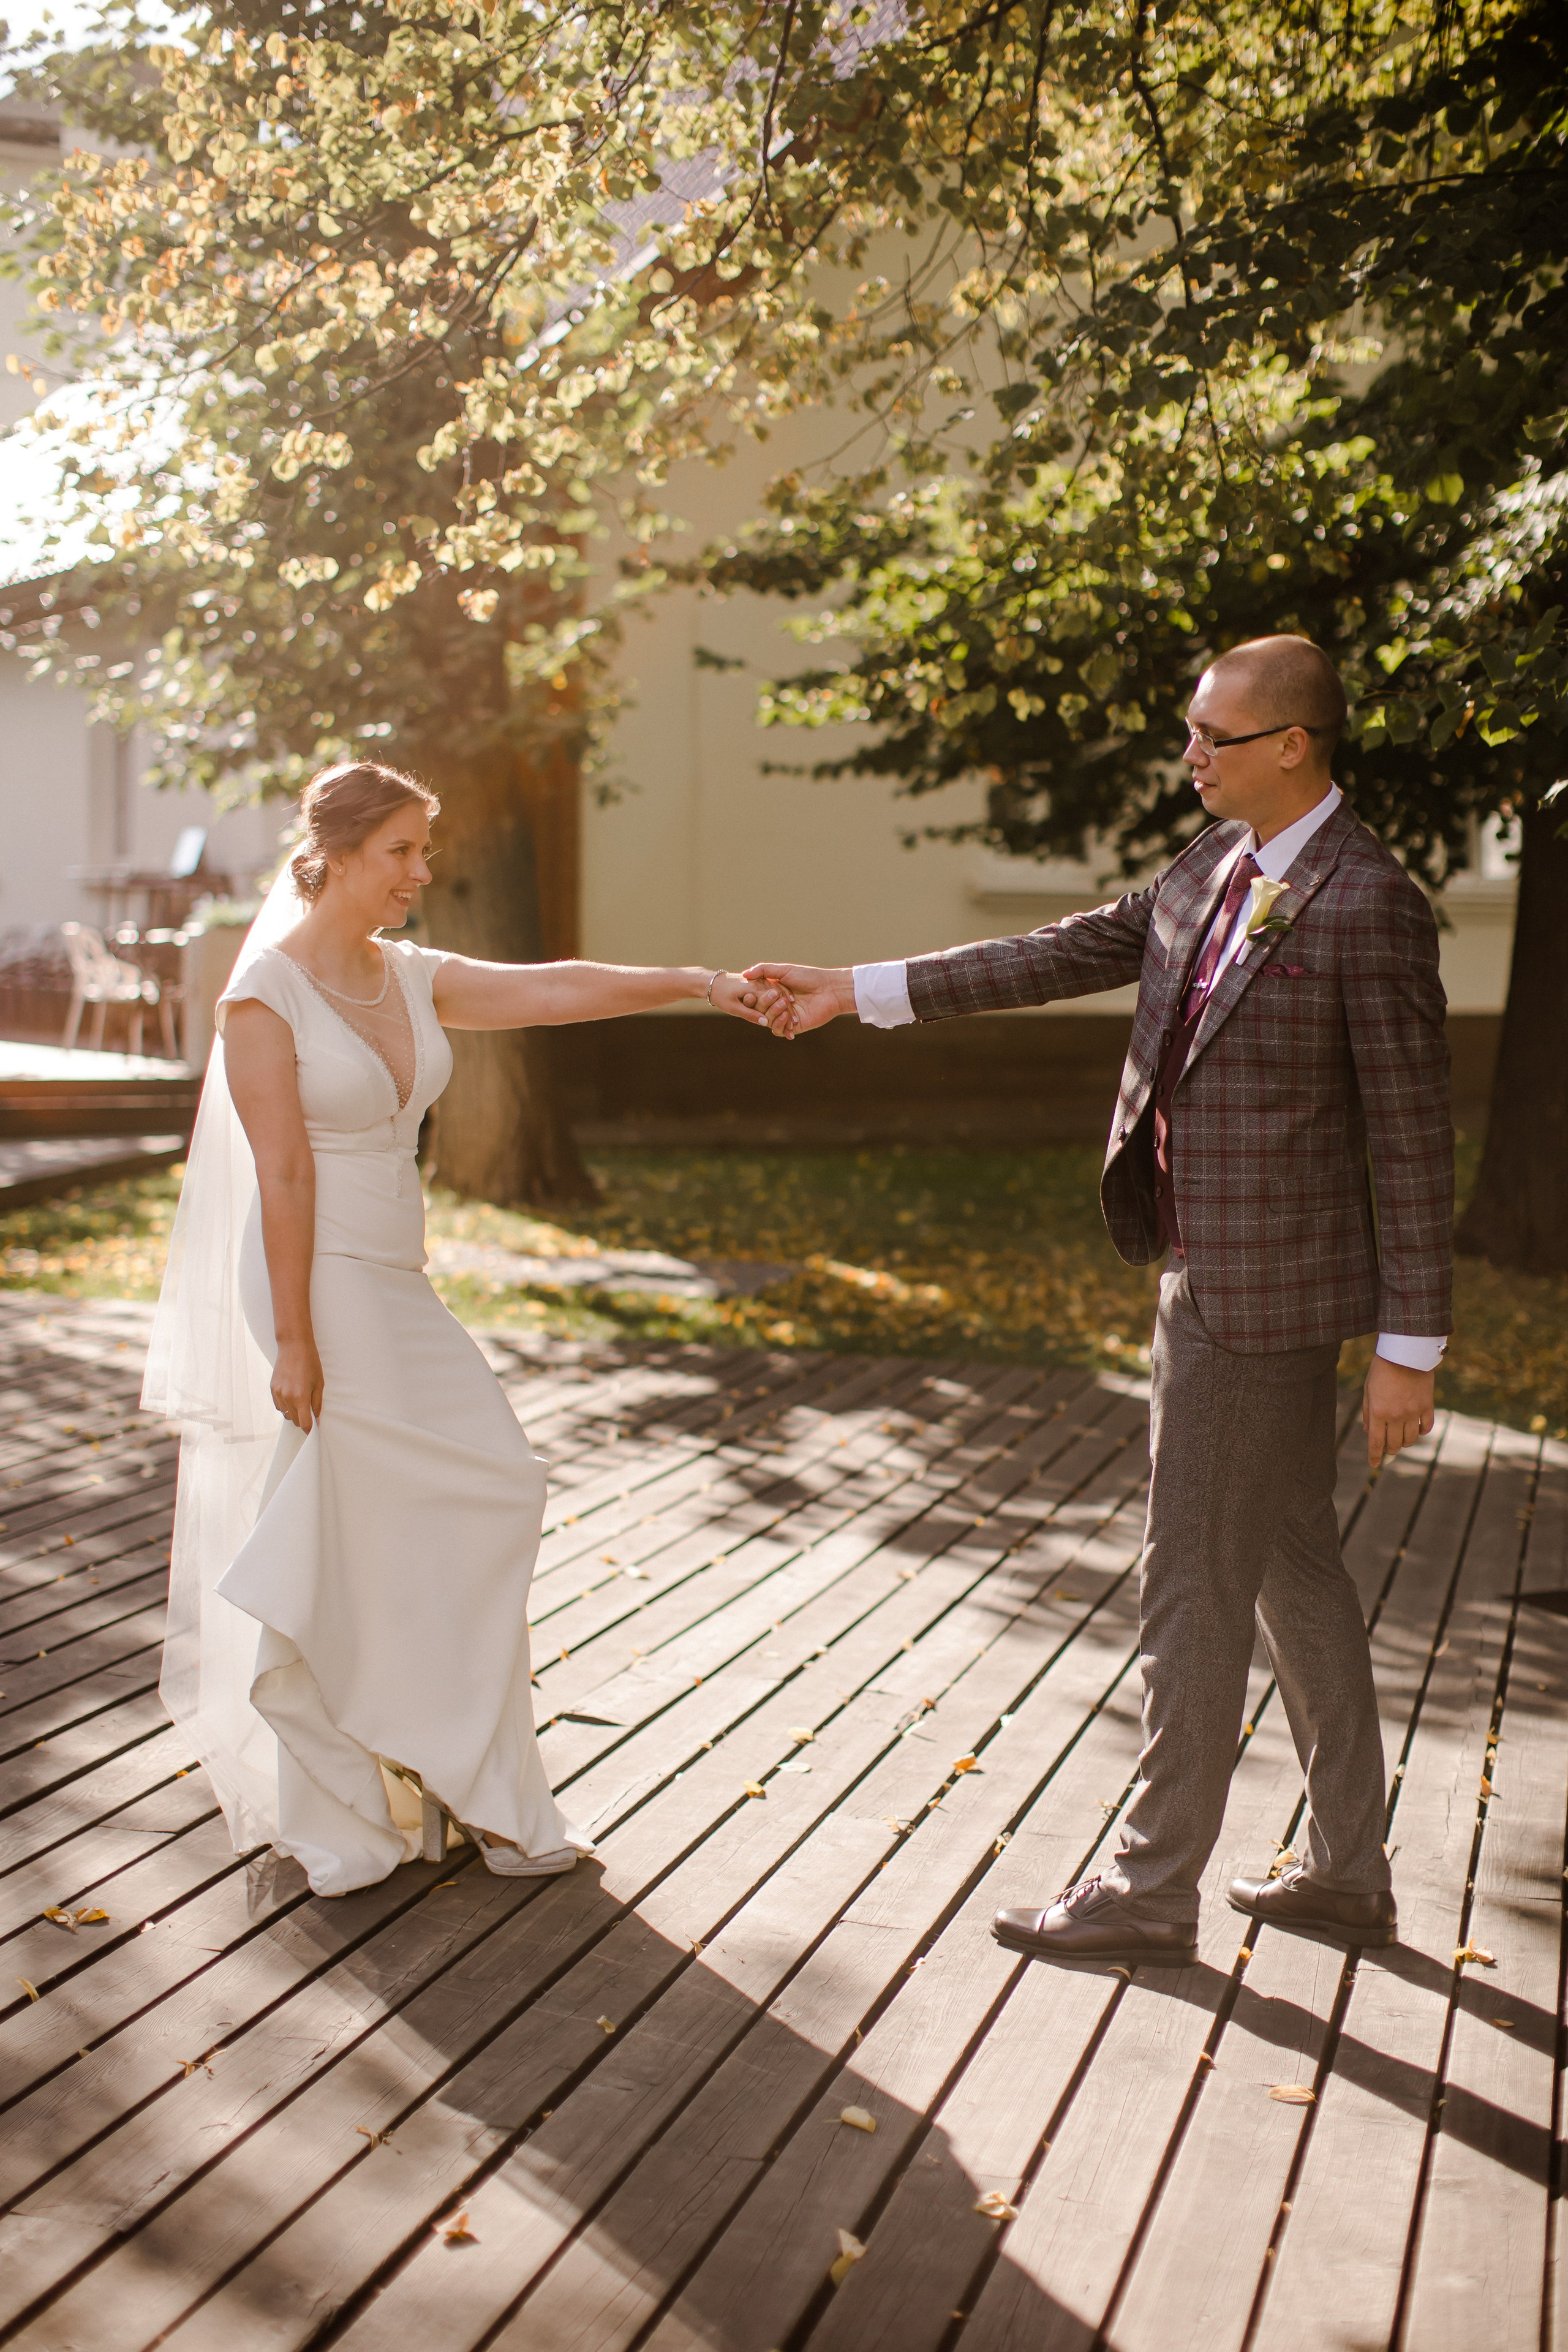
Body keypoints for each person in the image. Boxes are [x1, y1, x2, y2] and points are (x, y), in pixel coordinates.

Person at [745, 635, 1451, 1968]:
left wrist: (1406, 1350)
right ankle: (1347, 1869)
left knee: (1187, 1579)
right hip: (1198, 1267)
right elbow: (1058, 950)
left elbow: (1413, 1138)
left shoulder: (1368, 901)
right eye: (1190, 730)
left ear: (1291, 744)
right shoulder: (1211, 865)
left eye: (1214, 736)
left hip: (1258, 1299)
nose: (1190, 753)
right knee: (1289, 1567)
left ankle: (1146, 1889)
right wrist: (854, 992)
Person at [145, 761, 770, 1898]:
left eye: (425, 852)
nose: (420, 874)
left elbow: (551, 989)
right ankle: (405, 1789)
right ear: (332, 855)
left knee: (472, 1495)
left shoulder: (411, 976)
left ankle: (438, 1774)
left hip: (393, 1275)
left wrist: (695, 981)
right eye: (401, 853)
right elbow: (282, 1175)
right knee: (456, 1492)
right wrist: (292, 1339)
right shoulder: (263, 997)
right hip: (313, 1277)